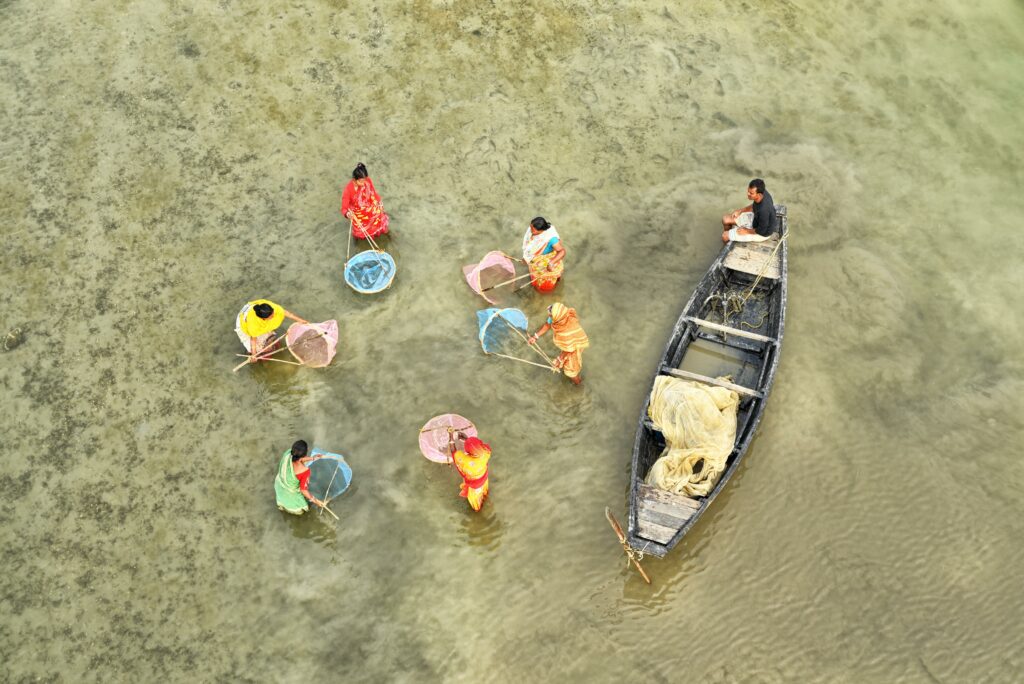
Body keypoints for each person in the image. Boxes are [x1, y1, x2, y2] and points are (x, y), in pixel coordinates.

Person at [527, 302, 590, 385]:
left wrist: (559, 359)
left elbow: (569, 349)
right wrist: (535, 336)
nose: (549, 317)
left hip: (574, 345)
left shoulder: (566, 333)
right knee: (564, 361)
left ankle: (578, 383)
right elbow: (547, 324)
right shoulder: (563, 315)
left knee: (570, 371)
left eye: (550, 316)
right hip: (572, 342)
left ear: (556, 319)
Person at [235, 299, 308, 362]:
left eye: (273, 313)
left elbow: (285, 313)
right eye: (271, 316)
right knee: (260, 352)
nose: (274, 315)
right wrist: (254, 354)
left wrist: (301, 320)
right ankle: (253, 353)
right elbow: (253, 339)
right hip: (244, 322)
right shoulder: (253, 324)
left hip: (252, 309)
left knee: (270, 340)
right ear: (263, 319)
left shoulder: (271, 307)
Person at [274, 440, 327, 515]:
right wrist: (315, 501)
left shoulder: (288, 453)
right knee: (302, 513)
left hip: (279, 486)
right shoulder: (304, 471)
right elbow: (303, 490)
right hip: (291, 498)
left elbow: (298, 459)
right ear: (305, 453)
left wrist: (312, 458)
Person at [341, 163, 390, 240]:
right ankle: (359, 239)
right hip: (357, 211)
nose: (364, 183)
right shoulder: (348, 190)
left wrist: (379, 201)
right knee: (360, 228)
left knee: (379, 212)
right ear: (354, 179)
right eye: (361, 181)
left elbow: (373, 192)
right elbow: (344, 208)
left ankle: (382, 230)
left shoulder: (367, 180)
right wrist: (347, 214)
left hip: (369, 205)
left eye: (365, 180)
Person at [721, 178, 778, 243]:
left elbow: (761, 230)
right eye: (748, 191)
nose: (748, 194)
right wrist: (740, 211)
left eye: (751, 193)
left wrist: (746, 231)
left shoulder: (764, 210)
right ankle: (730, 238)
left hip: (761, 233)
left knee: (724, 236)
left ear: (759, 194)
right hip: (755, 219)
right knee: (725, 219)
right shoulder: (762, 192)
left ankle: (727, 242)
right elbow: (754, 205)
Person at [448, 432, 491, 511]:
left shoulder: (466, 462)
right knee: (483, 492)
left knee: (476, 500)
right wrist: (467, 440)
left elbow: (454, 453)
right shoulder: (486, 452)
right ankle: (485, 495)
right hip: (484, 478)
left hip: (475, 485)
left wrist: (451, 437)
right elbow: (476, 447)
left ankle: (477, 508)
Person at [521, 216, 566, 292]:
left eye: (533, 230)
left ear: (541, 230)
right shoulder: (532, 230)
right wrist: (526, 257)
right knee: (533, 272)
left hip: (547, 257)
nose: (531, 231)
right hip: (536, 256)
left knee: (543, 281)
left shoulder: (551, 238)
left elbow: (562, 251)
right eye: (530, 227)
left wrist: (551, 263)